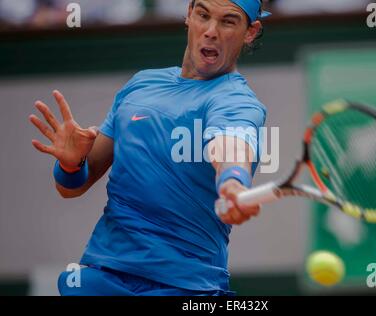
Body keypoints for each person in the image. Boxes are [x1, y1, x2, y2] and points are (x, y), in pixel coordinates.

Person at [29, 0, 270, 296]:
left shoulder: (236, 101)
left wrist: (233, 181)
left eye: (228, 21)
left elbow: (231, 145)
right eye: (203, 15)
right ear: (188, 14)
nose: (211, 31)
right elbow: (70, 188)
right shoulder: (141, 84)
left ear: (250, 31)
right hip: (103, 277)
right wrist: (71, 164)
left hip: (186, 288)